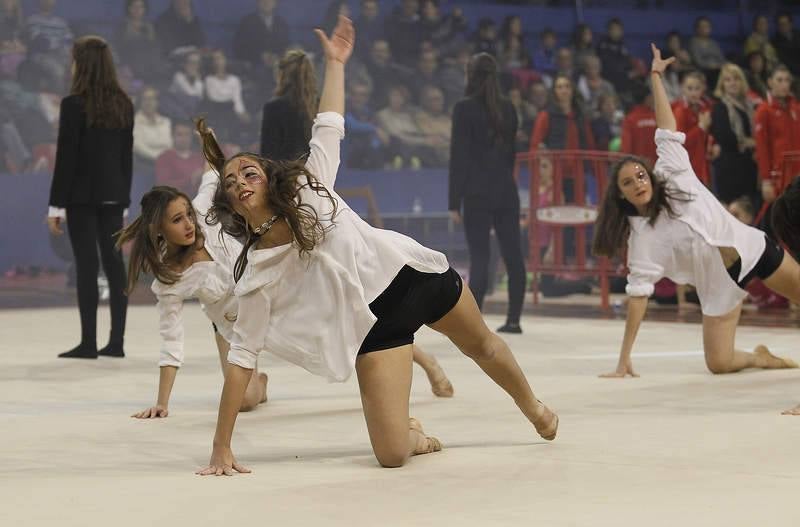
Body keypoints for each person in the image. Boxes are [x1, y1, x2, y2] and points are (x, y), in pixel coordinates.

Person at [196, 17, 556, 475]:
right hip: (374, 329)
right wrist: (221, 448)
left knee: (481, 345)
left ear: (268, 178)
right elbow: (242, 359)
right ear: (228, 200)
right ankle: (416, 436)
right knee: (391, 456)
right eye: (231, 180)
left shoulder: (310, 187)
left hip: (412, 278)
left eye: (249, 172)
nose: (241, 181)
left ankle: (534, 408)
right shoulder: (257, 272)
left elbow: (329, 125)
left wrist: (336, 64)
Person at [593, 44, 800, 378]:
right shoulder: (641, 237)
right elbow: (638, 298)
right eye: (628, 183)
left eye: (640, 175)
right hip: (718, 286)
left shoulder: (672, 169)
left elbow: (665, 127)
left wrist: (656, 77)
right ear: (620, 195)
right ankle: (761, 358)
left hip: (752, 250)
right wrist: (624, 359)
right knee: (719, 363)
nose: (638, 183)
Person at [118, 175, 269, 417]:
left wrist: (205, 137)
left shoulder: (202, 213)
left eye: (188, 214)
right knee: (246, 401)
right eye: (177, 220)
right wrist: (162, 403)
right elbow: (171, 342)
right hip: (232, 325)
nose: (189, 224)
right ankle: (260, 381)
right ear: (158, 229)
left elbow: (211, 174)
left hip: (266, 295)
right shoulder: (170, 280)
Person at [47, 36, 133, 359]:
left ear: (82, 64)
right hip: (113, 196)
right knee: (114, 265)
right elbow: (127, 159)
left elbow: (66, 159)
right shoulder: (124, 103)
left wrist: (56, 204)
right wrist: (124, 201)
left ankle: (87, 343)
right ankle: (117, 342)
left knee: (87, 264)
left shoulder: (73, 105)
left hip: (81, 197)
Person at [450, 53, 527, 334]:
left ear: (470, 75)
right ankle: (514, 319)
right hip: (506, 189)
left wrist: (453, 201)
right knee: (514, 255)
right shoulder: (509, 109)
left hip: (476, 191)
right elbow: (511, 156)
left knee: (479, 256)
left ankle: (475, 323)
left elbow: (458, 157)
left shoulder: (463, 108)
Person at [710, 63, 758, 204]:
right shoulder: (719, 107)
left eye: (736, 79)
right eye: (728, 79)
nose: (732, 83)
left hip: (749, 165)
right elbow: (725, 138)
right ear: (722, 84)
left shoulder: (750, 106)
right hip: (729, 169)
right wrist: (751, 142)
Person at [754, 65, 800, 207]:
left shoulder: (796, 107)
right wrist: (766, 180)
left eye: (787, 80)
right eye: (779, 80)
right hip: (779, 176)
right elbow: (762, 148)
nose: (784, 84)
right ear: (770, 82)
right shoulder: (763, 111)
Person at [260, 49, 317, 161]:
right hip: (318, 175)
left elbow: (268, 155)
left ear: (281, 75)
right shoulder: (320, 105)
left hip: (286, 175)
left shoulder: (274, 108)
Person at [672, 71, 712, 186]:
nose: (693, 93)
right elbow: (680, 142)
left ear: (703, 89)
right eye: (690, 88)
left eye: (697, 88)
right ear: (682, 89)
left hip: (705, 165)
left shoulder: (707, 107)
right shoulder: (679, 112)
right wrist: (700, 128)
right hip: (688, 167)